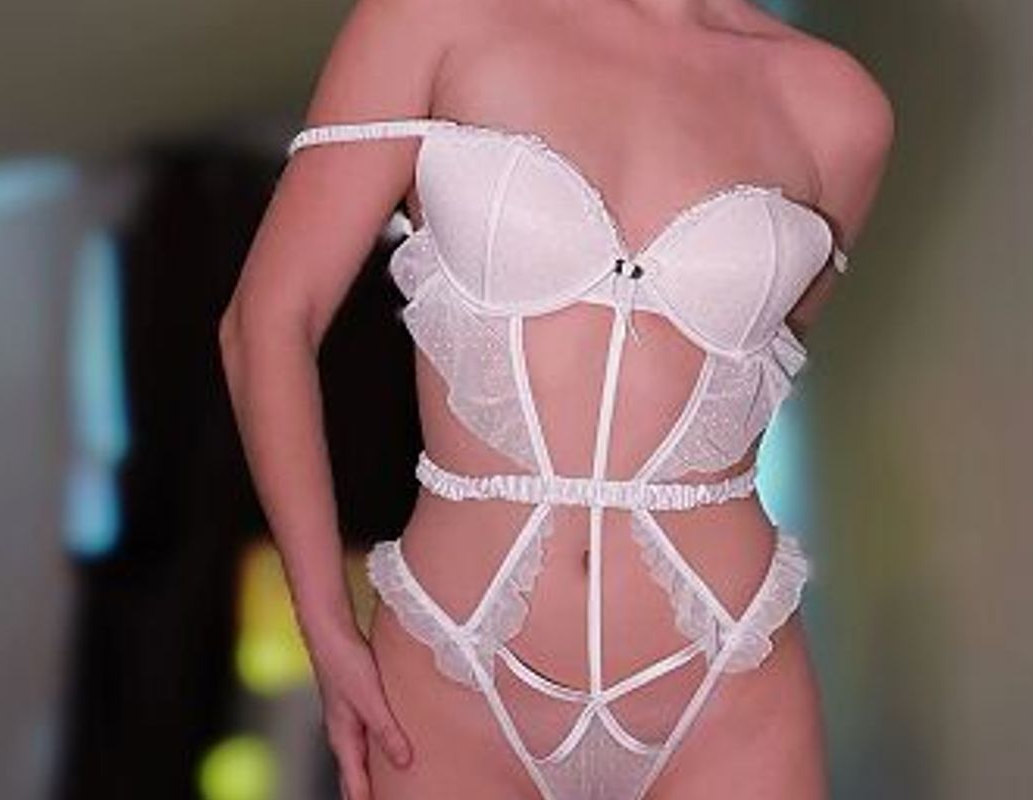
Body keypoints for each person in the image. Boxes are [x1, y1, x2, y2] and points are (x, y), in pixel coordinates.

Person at [219, 0, 892, 797]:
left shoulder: (840, 108)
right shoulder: (433, 20)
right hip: (453, 668)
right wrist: (326, 625)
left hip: (729, 684)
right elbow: (268, 319)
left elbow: (755, 377)